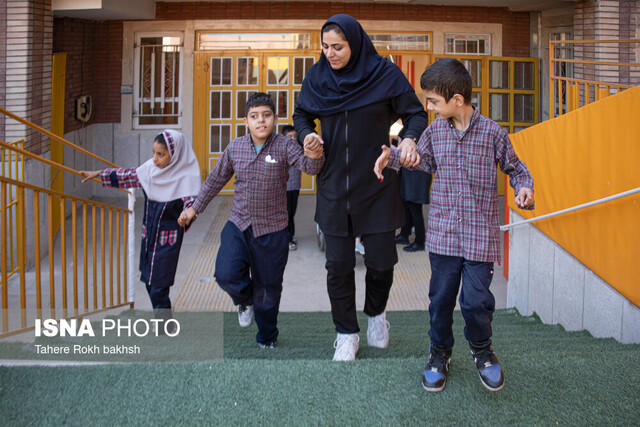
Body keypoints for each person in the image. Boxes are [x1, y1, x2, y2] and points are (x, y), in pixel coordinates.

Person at [374, 58, 534, 392]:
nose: (429, 108)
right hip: (444, 237)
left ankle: (482, 350)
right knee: (440, 300)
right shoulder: (433, 132)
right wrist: (396, 157)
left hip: (479, 238)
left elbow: (516, 169)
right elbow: (422, 161)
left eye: (433, 101)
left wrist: (524, 188)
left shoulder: (493, 133)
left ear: (457, 100)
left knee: (476, 302)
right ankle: (439, 352)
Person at [293, 14, 428, 361]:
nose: (330, 53)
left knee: (382, 263)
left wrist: (410, 140)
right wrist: (308, 134)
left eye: (337, 47)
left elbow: (416, 114)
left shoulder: (384, 73)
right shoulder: (318, 77)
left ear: (355, 42)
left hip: (378, 183)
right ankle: (346, 334)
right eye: (325, 47)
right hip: (333, 184)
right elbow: (302, 114)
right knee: (338, 266)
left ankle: (376, 315)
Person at [178, 93, 324, 349]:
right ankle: (246, 300)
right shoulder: (235, 147)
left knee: (269, 291)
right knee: (225, 274)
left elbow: (310, 168)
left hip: (273, 230)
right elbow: (215, 179)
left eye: (266, 115)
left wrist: (315, 153)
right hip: (239, 224)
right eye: (255, 116)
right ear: (246, 121)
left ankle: (267, 337)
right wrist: (194, 208)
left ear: (275, 119)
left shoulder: (285, 146)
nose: (261, 121)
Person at [80, 130, 201, 334]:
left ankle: (165, 326)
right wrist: (98, 175)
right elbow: (127, 176)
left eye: (161, 154)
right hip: (149, 237)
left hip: (168, 241)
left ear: (175, 155)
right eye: (154, 153)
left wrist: (187, 216)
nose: (155, 159)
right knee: (148, 280)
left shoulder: (185, 178)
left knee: (158, 286)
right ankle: (164, 320)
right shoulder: (149, 171)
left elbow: (192, 205)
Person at [393, 136, 432, 252]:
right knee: (406, 204)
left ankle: (420, 241)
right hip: (409, 174)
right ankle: (404, 234)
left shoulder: (420, 131)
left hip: (417, 173)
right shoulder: (411, 129)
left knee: (415, 208)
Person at [282, 125, 301, 251]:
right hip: (285, 187)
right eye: (290, 136)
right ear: (284, 137)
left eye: (295, 136)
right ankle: (287, 240)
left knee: (292, 212)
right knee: (287, 213)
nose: (293, 138)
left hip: (295, 186)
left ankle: (291, 236)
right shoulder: (282, 150)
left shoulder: (299, 149)